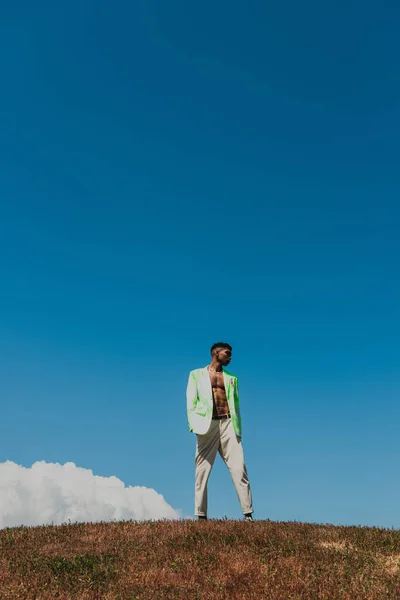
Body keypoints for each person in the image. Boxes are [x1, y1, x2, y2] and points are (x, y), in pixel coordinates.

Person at [186, 342, 254, 521]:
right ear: (216, 353)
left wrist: (237, 427)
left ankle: (248, 514)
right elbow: (191, 402)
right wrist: (195, 425)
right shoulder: (196, 375)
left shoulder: (232, 378)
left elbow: (236, 404)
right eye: (227, 353)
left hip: (228, 425)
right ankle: (201, 515)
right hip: (207, 427)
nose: (230, 357)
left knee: (239, 468)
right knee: (202, 471)